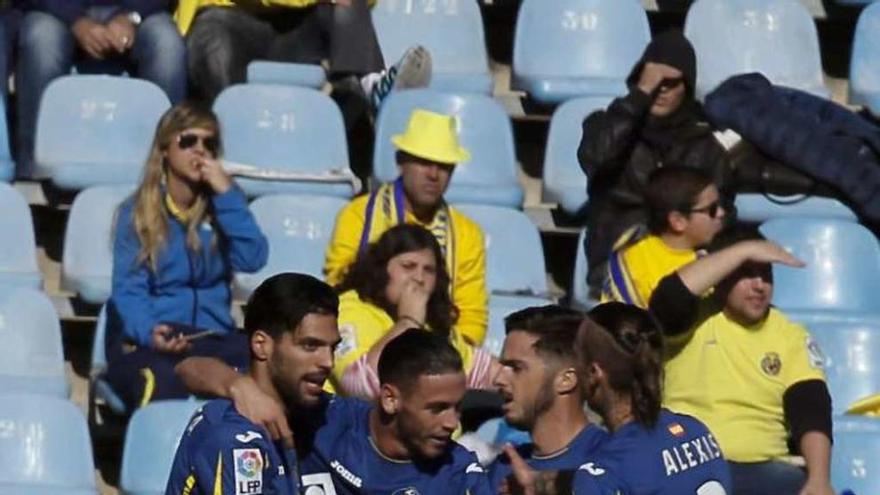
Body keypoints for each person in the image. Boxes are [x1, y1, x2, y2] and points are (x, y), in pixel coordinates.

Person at [167, 275, 493, 494]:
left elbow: (399, 436)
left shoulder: (328, 416)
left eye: (332, 347)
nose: (326, 362)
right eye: (310, 345)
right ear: (262, 345)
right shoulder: (233, 438)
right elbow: (187, 367)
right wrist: (236, 385)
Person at [104, 102, 268, 411]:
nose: (200, 151)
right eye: (188, 141)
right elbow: (128, 290)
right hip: (155, 338)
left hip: (212, 337)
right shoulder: (137, 213)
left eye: (209, 144)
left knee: (269, 370)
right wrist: (150, 333)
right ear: (165, 148)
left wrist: (228, 195)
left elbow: (253, 257)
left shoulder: (222, 207)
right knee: (159, 384)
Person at [650, 227, 833, 495]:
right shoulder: (691, 319)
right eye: (746, 273)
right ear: (721, 274)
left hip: (764, 469)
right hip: (685, 459)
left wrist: (819, 480)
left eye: (766, 274)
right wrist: (744, 249)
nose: (759, 285)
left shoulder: (790, 335)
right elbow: (669, 297)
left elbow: (811, 408)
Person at [504, 302, 732, 495]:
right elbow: (632, 471)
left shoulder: (608, 470)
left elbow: (612, 474)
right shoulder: (696, 430)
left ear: (594, 374)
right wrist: (536, 482)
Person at [578, 29, 730, 297]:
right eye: (652, 80)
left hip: (683, 266)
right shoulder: (605, 125)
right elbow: (595, 158)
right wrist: (639, 95)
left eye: (671, 83)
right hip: (619, 264)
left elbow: (722, 214)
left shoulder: (706, 148)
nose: (661, 90)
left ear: (687, 88)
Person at [325, 108, 489, 345]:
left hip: (434, 350)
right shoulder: (358, 215)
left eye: (443, 166)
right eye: (424, 162)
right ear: (401, 162)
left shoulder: (467, 233)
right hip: (362, 338)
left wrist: (450, 358)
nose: (433, 174)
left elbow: (471, 316)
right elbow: (337, 287)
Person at [16, 0, 185, 177]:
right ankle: (36, 166)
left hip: (137, 12)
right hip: (58, 11)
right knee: (42, 37)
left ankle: (167, 168)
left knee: (167, 44)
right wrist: (76, 21)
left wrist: (130, 16)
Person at [333, 224, 495, 398]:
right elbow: (361, 387)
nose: (419, 278)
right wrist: (408, 321)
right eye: (408, 266)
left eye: (429, 270)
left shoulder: (431, 322)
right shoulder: (348, 310)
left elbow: (486, 375)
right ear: (381, 268)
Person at [176, 0, 429, 108]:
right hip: (230, 20)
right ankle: (231, 127)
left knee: (348, 8)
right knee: (212, 42)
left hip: (296, 30)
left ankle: (374, 88)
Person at [488, 305, 608, 493]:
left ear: (566, 380)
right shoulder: (503, 467)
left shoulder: (612, 459)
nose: (498, 380)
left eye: (516, 368)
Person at [602, 166, 726, 306]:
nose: (721, 213)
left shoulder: (721, 253)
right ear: (678, 221)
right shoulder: (634, 258)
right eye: (712, 209)